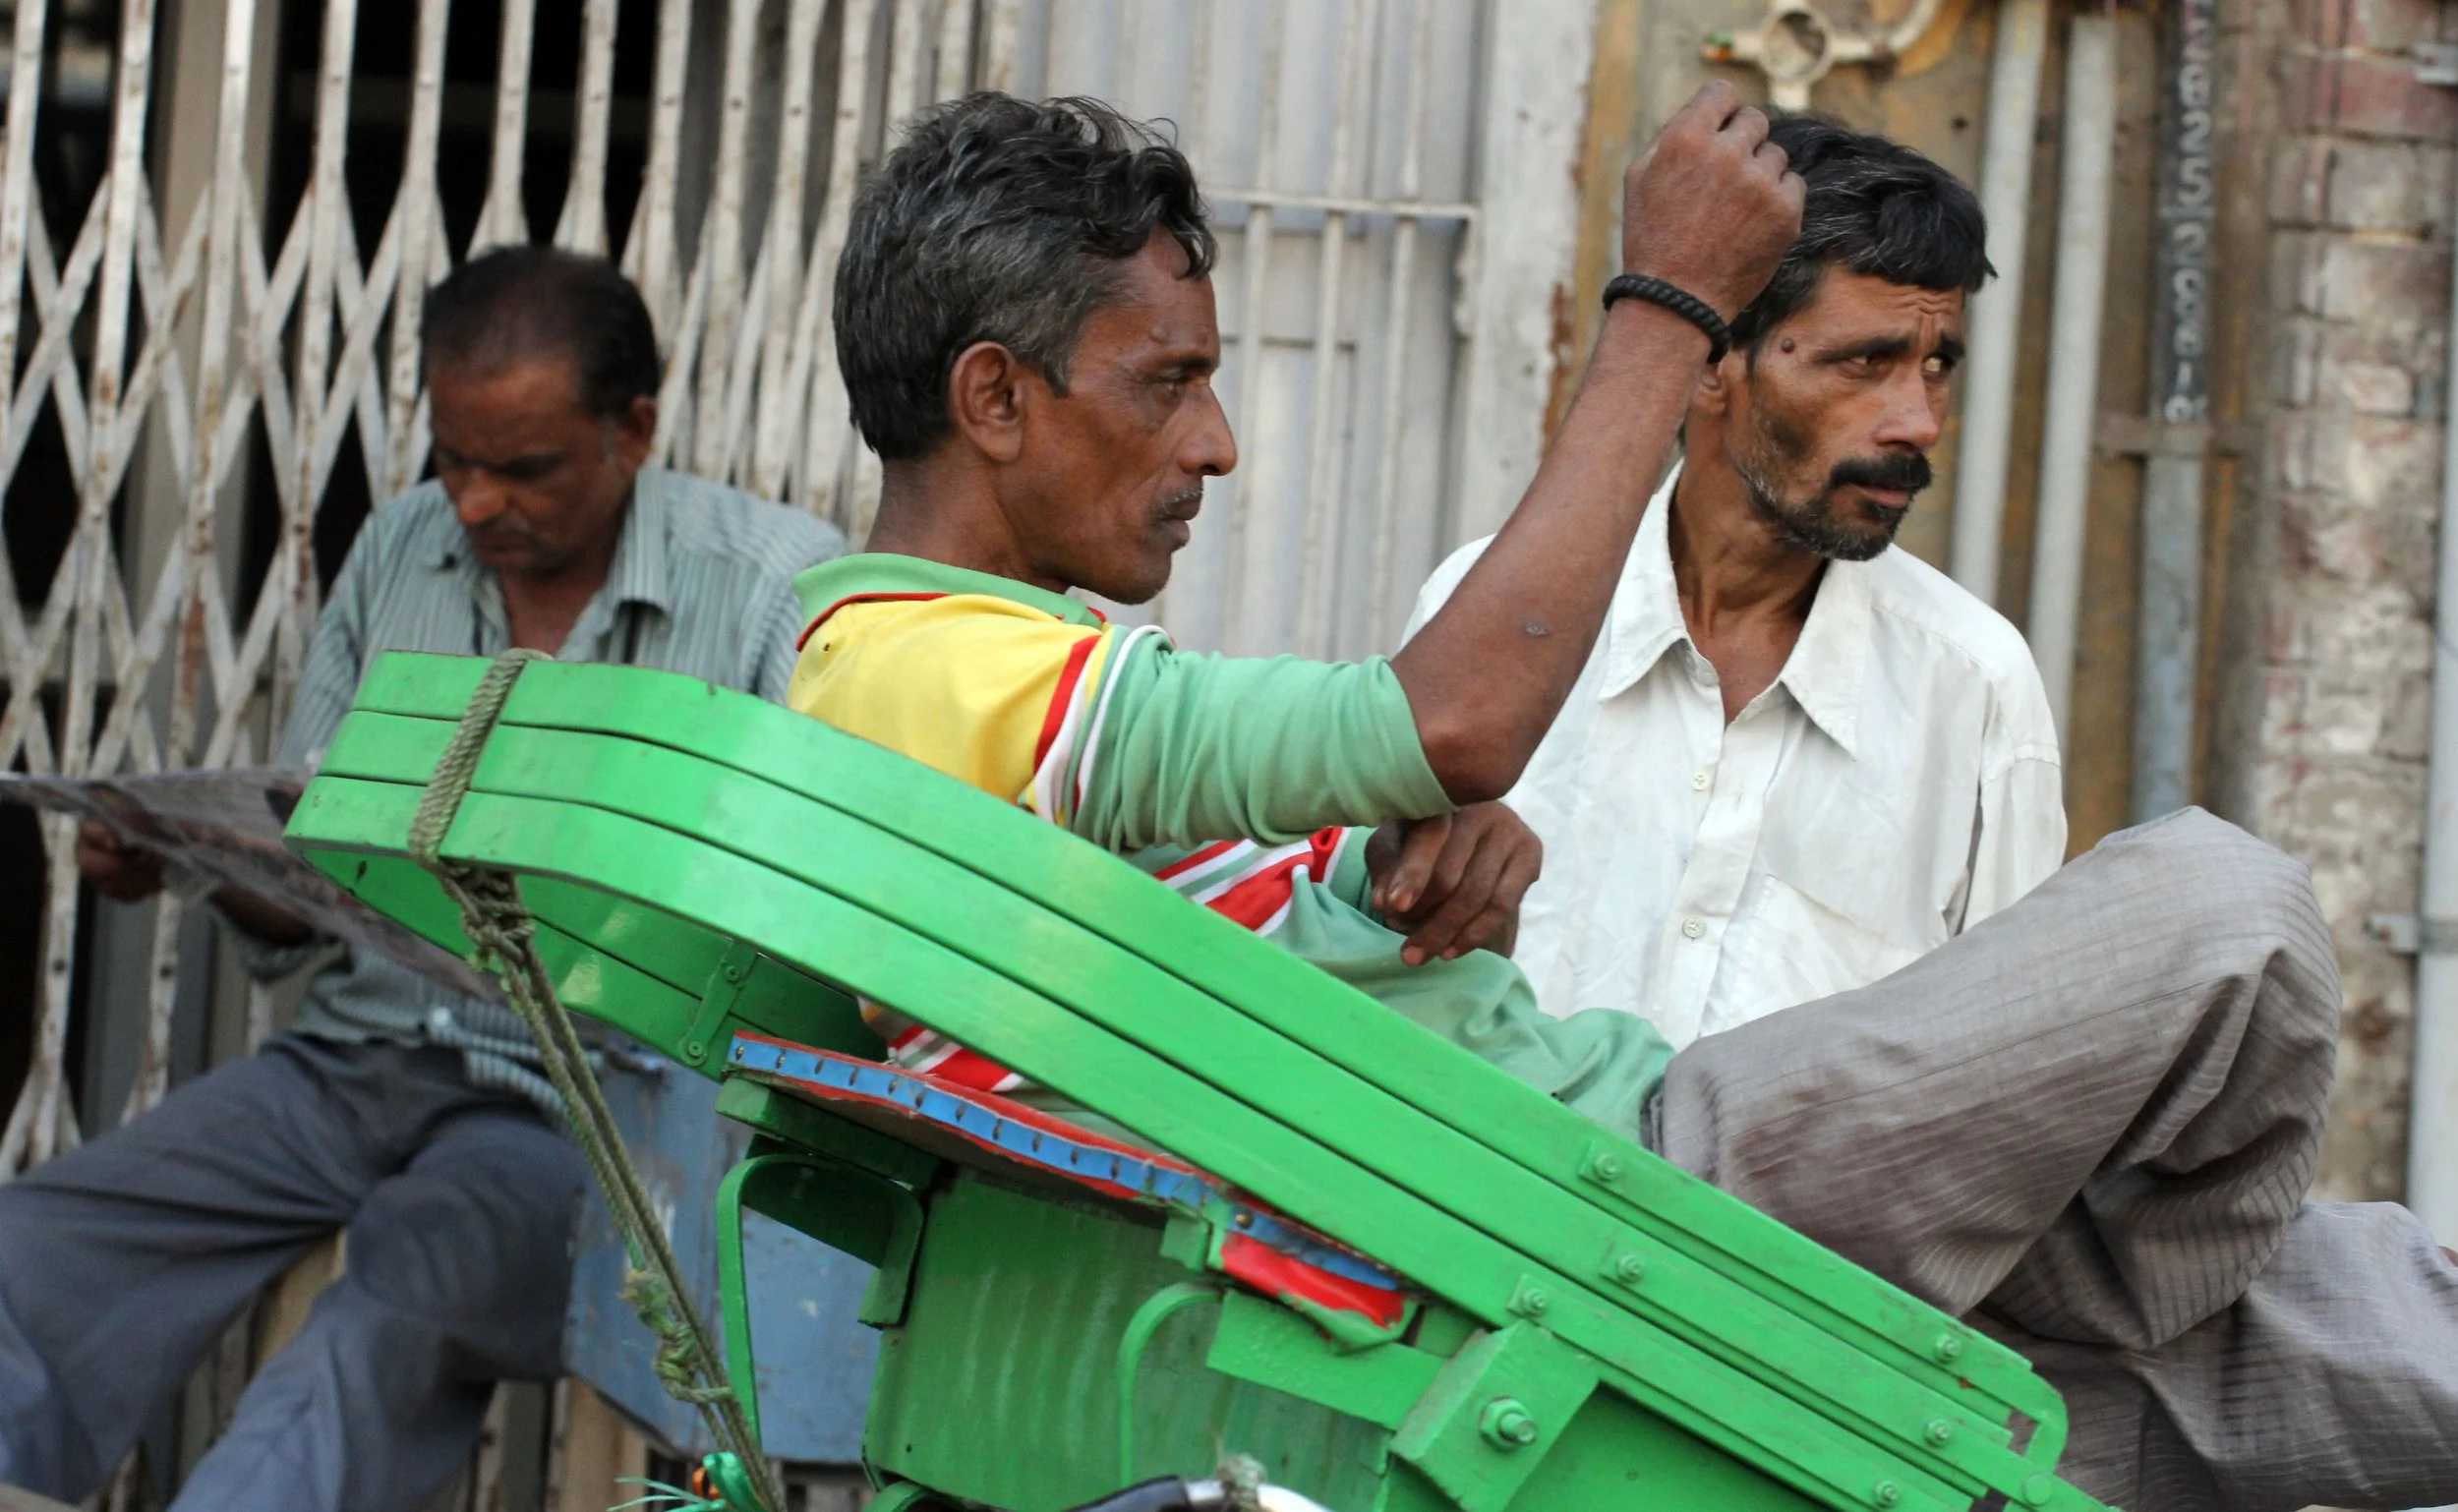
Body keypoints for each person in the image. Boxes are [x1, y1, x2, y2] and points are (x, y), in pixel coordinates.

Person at [791, 87, 2458, 1509]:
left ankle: (2089, 1273)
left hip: (1681, 1195)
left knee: (2346, 1336)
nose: (1219, 444)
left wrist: (1381, 903)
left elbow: (1223, 972)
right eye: (1170, 383)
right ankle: (2094, 1262)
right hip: (1626, 1202)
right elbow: (1453, 720)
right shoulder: (920, 671)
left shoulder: (977, 685)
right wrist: (1663, 301)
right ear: (997, 397)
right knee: (2229, 908)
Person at [0, 247, 847, 1512]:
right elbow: (312, 862)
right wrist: (190, 860)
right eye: (452, 459)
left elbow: (797, 899)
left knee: (406, 1291)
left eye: (523, 468)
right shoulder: (400, 552)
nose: (473, 502)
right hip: (357, 1056)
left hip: (576, 1100)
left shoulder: (772, 581)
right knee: (35, 1243)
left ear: (635, 431)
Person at [1392, 118, 2064, 1048]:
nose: (1919, 422)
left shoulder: (1975, 687)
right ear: (1713, 361)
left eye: (1936, 366)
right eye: (1865, 362)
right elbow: (1384, 970)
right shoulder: (1492, 623)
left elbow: (2006, 1064)